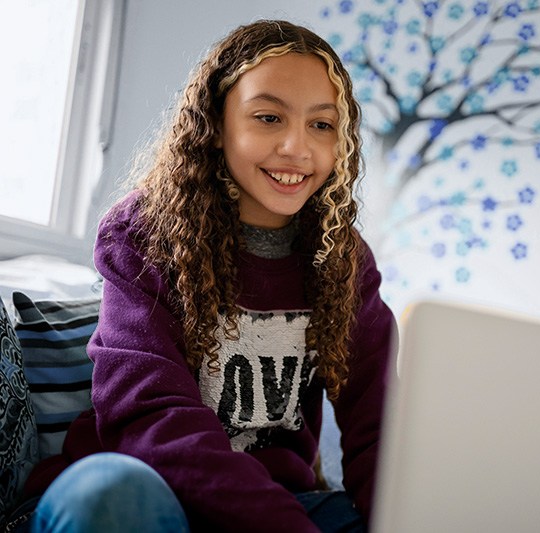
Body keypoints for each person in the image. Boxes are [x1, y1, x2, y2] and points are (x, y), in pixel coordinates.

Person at [15, 19, 396, 533]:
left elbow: (380, 431)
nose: (296, 147)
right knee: (111, 493)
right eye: (268, 118)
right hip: (146, 499)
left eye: (322, 125)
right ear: (216, 124)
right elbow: (148, 413)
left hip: (282, 504)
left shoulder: (344, 261)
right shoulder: (144, 236)